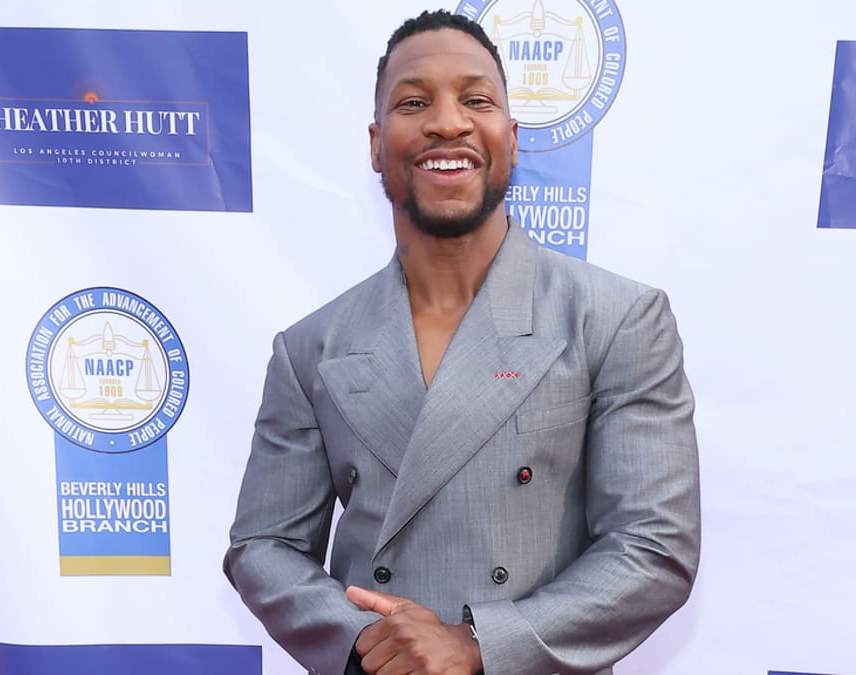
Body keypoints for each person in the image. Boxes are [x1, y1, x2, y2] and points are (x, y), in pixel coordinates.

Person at [224, 10, 700, 675]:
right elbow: (262, 545)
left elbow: (655, 548)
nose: (448, 121)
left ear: (510, 136)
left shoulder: (617, 319)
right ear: (374, 142)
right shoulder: (312, 347)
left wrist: (480, 644)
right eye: (414, 101)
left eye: (476, 99)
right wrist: (367, 645)